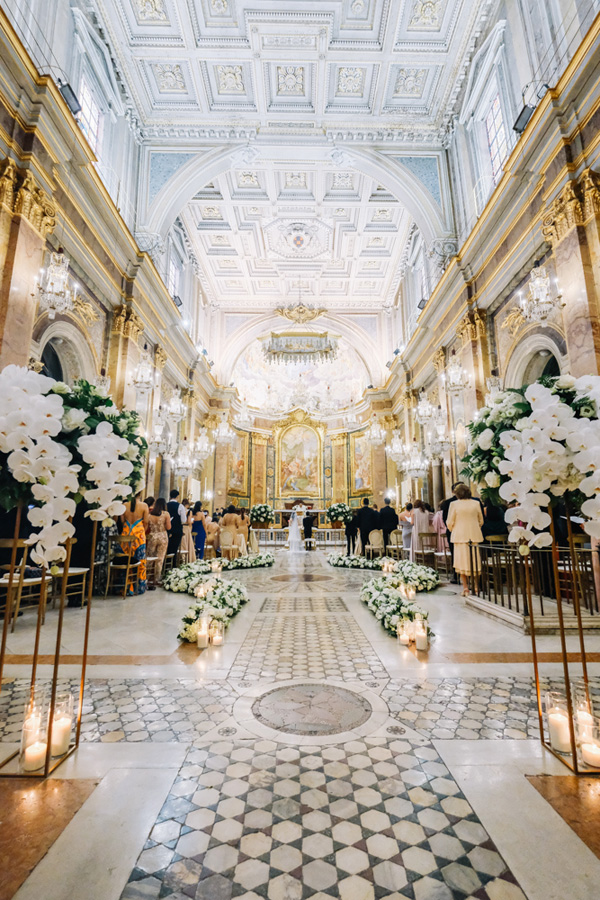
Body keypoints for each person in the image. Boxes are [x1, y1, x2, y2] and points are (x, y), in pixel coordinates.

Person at [447, 483, 484, 596]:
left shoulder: (454, 504)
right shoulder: (476, 503)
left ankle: (466, 588)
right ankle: (476, 587)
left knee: (461, 562)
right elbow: (481, 521)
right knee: (474, 561)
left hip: (459, 536)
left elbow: (449, 522)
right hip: (473, 535)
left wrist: (455, 528)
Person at [119, 492, 149, 594]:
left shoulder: (124, 505)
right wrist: (140, 530)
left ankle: (126, 586)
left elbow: (122, 521)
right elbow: (146, 522)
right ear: (140, 493)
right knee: (140, 561)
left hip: (126, 533)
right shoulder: (144, 506)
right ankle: (138, 587)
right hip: (139, 534)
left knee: (126, 559)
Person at [146, 498, 171, 586]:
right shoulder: (166, 514)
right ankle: (157, 578)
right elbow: (168, 527)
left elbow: (146, 527)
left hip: (152, 536)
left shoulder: (149, 515)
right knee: (160, 558)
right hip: (162, 537)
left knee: (150, 557)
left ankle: (147, 577)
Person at [167, 489, 186, 559]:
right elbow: (183, 520)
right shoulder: (180, 506)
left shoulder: (166, 505)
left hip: (167, 530)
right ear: (177, 496)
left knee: (167, 548)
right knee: (174, 549)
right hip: (177, 530)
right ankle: (173, 565)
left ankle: (165, 565)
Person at [179, 499, 196, 563]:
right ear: (187, 505)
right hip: (186, 528)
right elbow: (189, 521)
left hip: (180, 527)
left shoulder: (180, 510)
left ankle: (180, 558)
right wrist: (192, 521)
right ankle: (186, 559)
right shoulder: (189, 512)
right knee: (187, 543)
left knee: (182, 544)